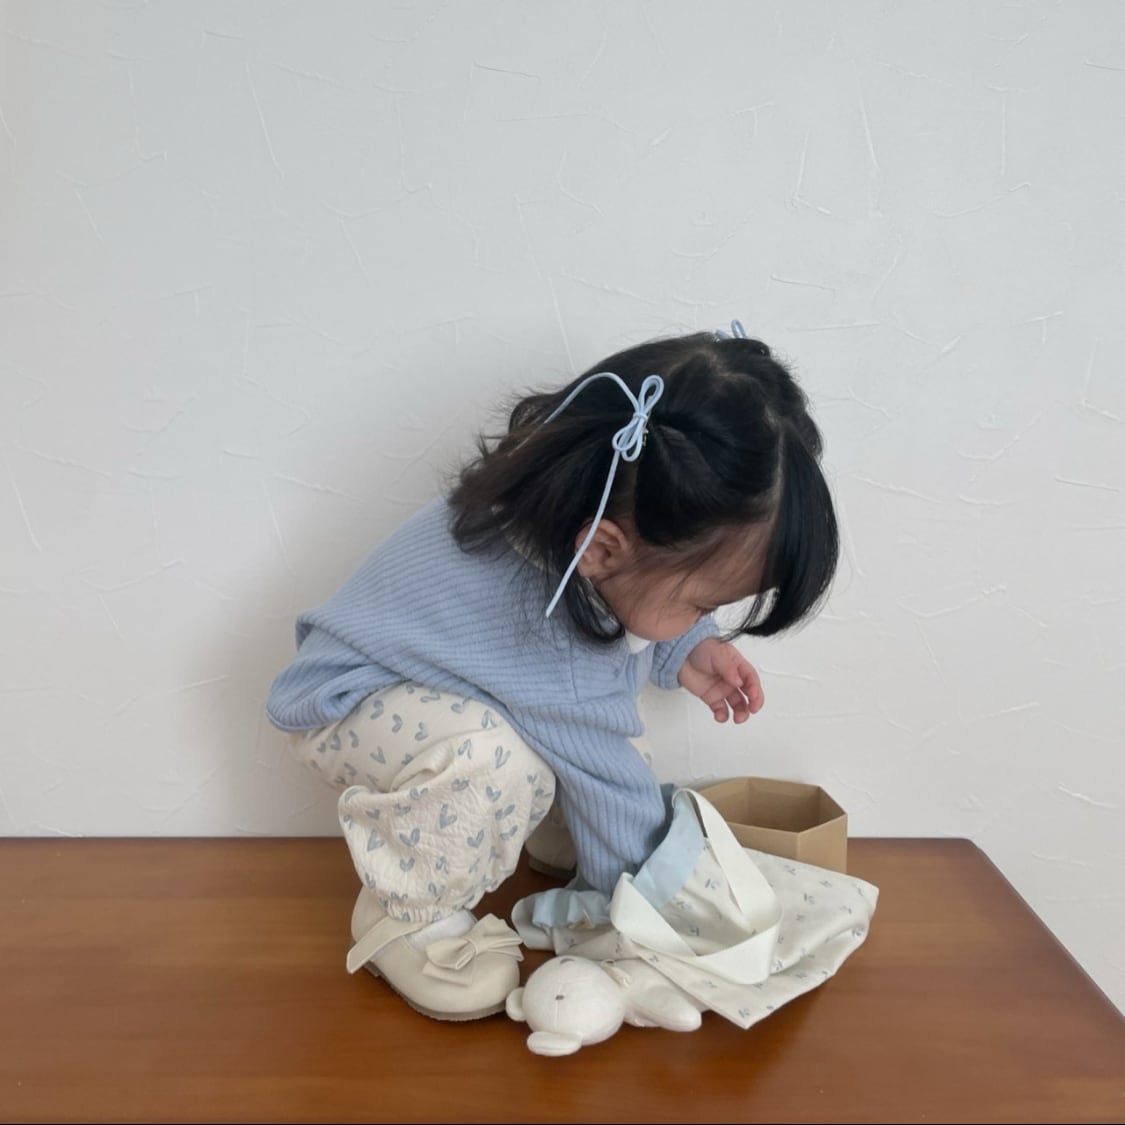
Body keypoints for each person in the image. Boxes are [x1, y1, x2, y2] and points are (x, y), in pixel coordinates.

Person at [265, 320, 839, 1022]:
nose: (707, 617)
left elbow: (638, 597)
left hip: (423, 679)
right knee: (508, 759)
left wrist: (685, 643)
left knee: (565, 733)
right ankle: (407, 911)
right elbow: (602, 763)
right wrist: (658, 907)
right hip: (346, 700)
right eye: (701, 605)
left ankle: (533, 825)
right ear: (601, 550)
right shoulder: (544, 628)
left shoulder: (567, 516)